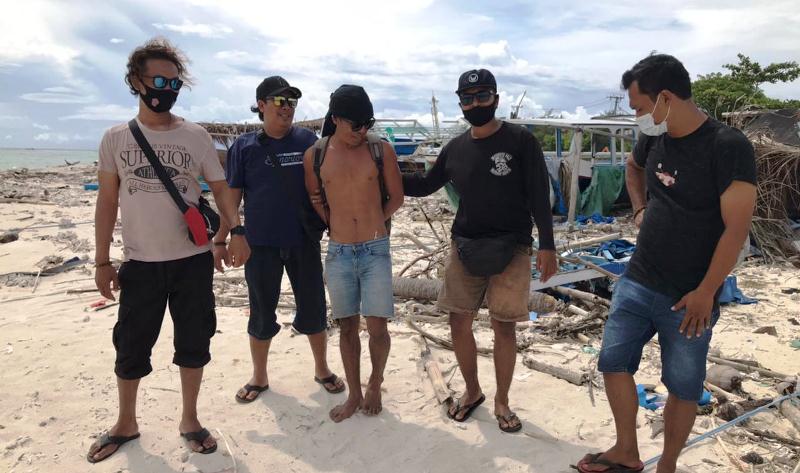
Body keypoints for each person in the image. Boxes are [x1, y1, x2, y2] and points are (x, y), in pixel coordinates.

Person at [574, 54, 756, 473]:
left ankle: (667, 465)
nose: (638, 117)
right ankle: (626, 450)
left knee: (683, 385)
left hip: (690, 295)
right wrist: (639, 209)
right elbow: (633, 168)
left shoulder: (727, 146)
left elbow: (736, 230)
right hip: (638, 278)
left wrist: (706, 292)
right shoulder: (653, 138)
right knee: (613, 362)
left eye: (640, 107)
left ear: (666, 98)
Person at [87, 37, 250, 463]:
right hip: (140, 262)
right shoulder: (115, 138)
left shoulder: (195, 136)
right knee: (130, 346)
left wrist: (236, 230)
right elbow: (107, 201)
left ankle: (190, 420)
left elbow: (220, 188)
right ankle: (126, 423)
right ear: (136, 81)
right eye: (159, 81)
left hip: (192, 262)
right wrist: (102, 260)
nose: (167, 89)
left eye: (174, 83)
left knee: (194, 341)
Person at [402, 69, 557, 433]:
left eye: (482, 96)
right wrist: (382, 174)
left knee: (504, 326)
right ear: (460, 104)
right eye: (467, 99)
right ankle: (473, 391)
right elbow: (424, 184)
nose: (475, 104)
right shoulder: (455, 148)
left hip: (514, 246)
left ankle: (502, 400)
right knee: (458, 321)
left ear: (496, 99)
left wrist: (547, 245)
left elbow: (539, 194)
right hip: (465, 245)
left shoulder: (520, 140)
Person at [213, 76, 345, 404]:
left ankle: (322, 369)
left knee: (314, 307)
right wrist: (227, 237)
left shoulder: (307, 140)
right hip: (259, 244)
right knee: (261, 312)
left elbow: (327, 184)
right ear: (261, 105)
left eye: (292, 102)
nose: (287, 108)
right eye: (280, 101)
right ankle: (259, 376)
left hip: (303, 240)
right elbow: (231, 197)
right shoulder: (244, 146)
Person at [303, 85, 403, 422]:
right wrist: (335, 223)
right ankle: (354, 394)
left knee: (377, 327)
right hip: (339, 251)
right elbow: (316, 197)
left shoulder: (380, 150)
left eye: (367, 124)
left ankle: (375, 383)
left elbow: (397, 197)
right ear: (336, 119)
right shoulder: (315, 155)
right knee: (347, 326)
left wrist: (374, 219)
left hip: (375, 249)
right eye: (355, 124)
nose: (362, 131)